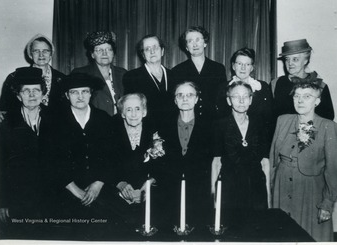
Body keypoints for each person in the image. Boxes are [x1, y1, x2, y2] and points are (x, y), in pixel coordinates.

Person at [270, 81, 337, 242]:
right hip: (281, 189)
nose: (300, 100)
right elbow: (273, 159)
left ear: (317, 101)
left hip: (310, 192)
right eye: (297, 96)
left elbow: (334, 170)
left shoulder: (328, 127)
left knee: (308, 236)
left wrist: (327, 203)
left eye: (307, 96)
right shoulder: (282, 120)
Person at [50, 73, 120, 221]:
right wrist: (76, 191)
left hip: (101, 188)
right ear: (67, 95)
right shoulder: (54, 121)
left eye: (84, 91)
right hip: (66, 191)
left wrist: (98, 183)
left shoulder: (104, 119)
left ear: (91, 93)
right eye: (74, 92)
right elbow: (50, 161)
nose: (80, 96)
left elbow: (113, 156)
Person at [0, 67, 55, 227]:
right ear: (18, 95)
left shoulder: (56, 119)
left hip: (51, 197)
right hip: (18, 198)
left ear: (43, 94)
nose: (32, 95)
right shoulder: (5, 123)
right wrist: (1, 202)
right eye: (26, 91)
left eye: (36, 90)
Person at [212, 81, 270, 226]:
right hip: (229, 187)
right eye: (236, 96)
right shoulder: (219, 125)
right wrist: (213, 195)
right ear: (228, 100)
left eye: (245, 96)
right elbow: (216, 162)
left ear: (251, 100)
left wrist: (268, 195)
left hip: (256, 188)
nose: (241, 100)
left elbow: (265, 162)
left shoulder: (260, 124)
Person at [160, 81, 213, 228]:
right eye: (180, 95)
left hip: (200, 192)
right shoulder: (163, 125)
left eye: (190, 95)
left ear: (196, 99)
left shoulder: (210, 126)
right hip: (170, 193)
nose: (185, 99)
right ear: (175, 100)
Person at [110, 93, 165, 225]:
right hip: (117, 191)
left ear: (144, 112)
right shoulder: (110, 131)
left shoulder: (155, 130)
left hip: (149, 190)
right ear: (122, 113)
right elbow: (106, 163)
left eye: (138, 109)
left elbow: (162, 165)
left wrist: (148, 185)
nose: (134, 114)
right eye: (128, 110)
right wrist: (120, 183)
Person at [0, 34, 65, 123]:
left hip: (54, 126)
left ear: (51, 54)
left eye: (46, 51)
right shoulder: (14, 77)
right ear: (30, 54)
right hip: (22, 126)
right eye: (36, 51)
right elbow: (4, 108)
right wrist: (0, 114)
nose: (41, 55)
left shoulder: (62, 78)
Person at [270, 39, 334, 120]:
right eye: (287, 59)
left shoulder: (320, 85)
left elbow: (328, 118)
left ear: (306, 60)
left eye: (295, 59)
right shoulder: (275, 84)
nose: (290, 63)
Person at [172, 26, 227, 121]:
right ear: (186, 47)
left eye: (198, 40)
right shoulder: (177, 70)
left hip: (213, 121)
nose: (195, 44)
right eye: (190, 41)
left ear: (205, 43)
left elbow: (223, 99)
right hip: (188, 122)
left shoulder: (218, 68)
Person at [217, 47, 274, 138]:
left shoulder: (262, 87)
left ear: (251, 68)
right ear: (233, 66)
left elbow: (269, 118)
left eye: (247, 64)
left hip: (258, 137)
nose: (243, 67)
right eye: (239, 63)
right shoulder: (223, 88)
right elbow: (220, 118)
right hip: (229, 137)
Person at [122, 34, 175, 125]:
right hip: (146, 128)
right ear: (143, 55)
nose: (152, 52)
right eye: (147, 49)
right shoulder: (132, 76)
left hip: (173, 127)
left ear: (162, 51)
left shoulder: (174, 75)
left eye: (155, 47)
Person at [71, 31, 127, 116]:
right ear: (92, 54)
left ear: (113, 53)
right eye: (99, 50)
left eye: (108, 49)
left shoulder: (123, 74)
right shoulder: (80, 74)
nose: (104, 53)